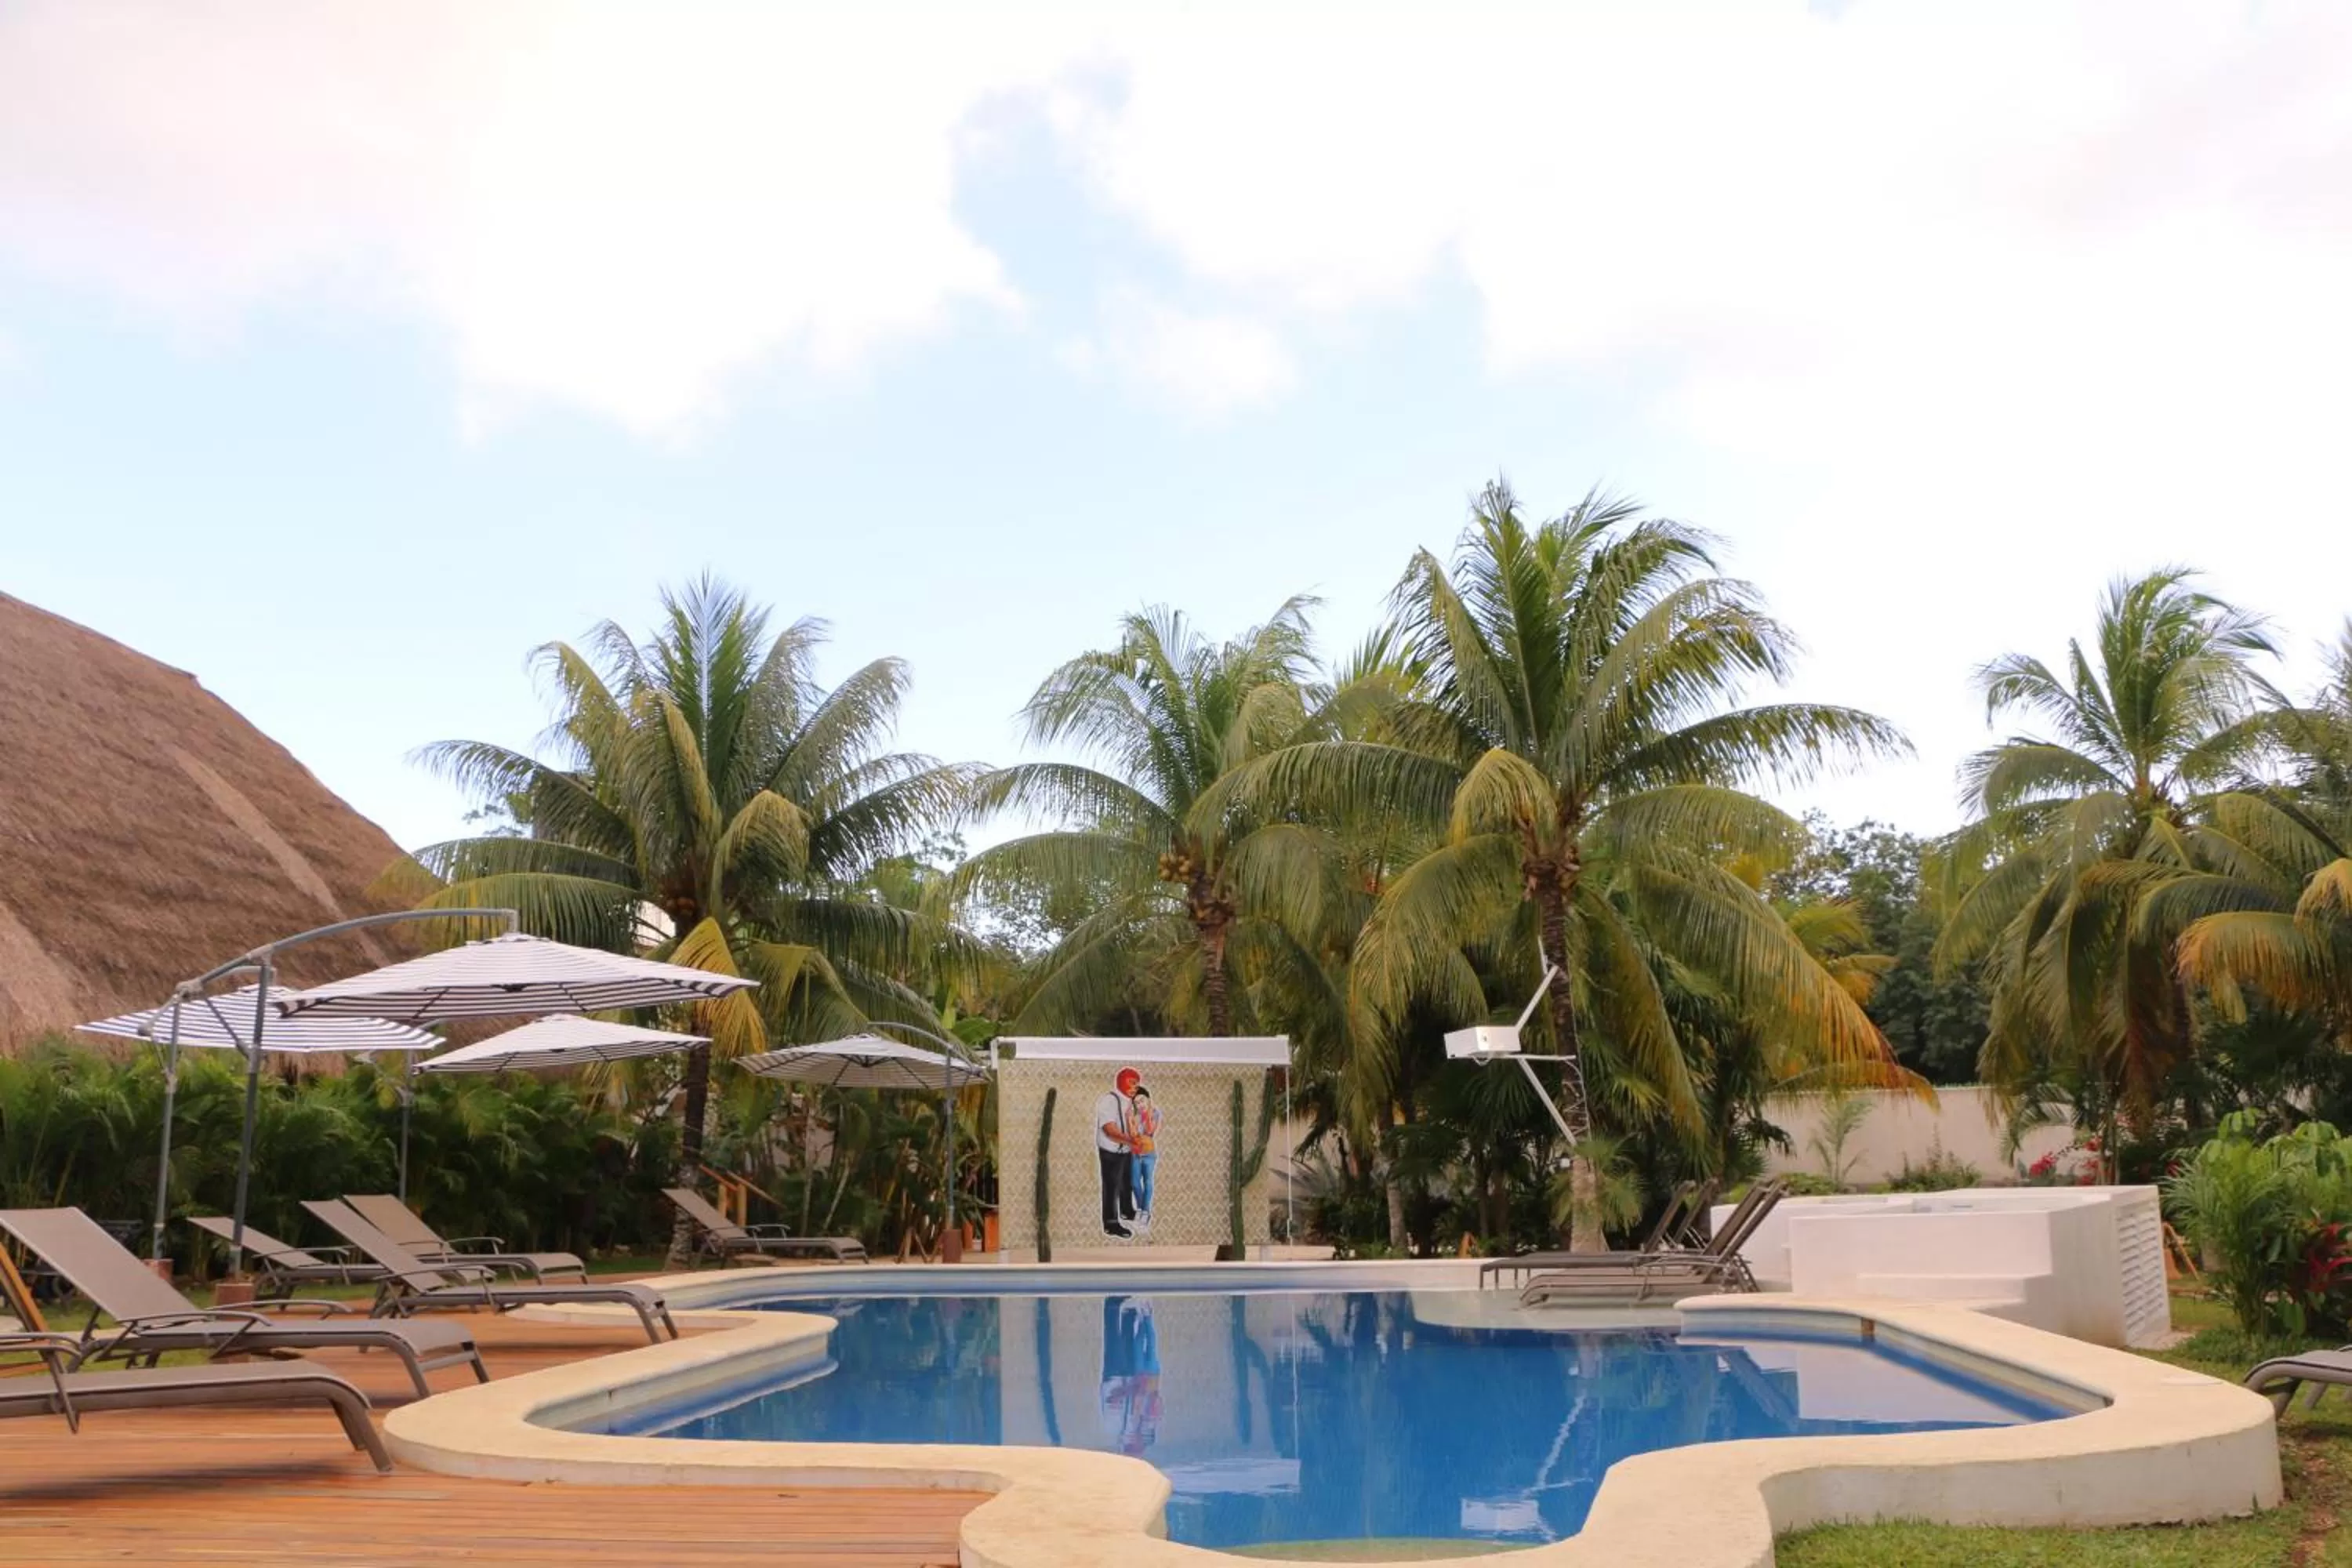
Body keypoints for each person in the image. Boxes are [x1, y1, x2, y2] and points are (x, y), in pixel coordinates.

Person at [1094, 1067, 1142, 1237]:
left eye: (1137, 1084)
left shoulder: (1130, 1102)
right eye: (1132, 1083)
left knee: (1126, 1183)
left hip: (1126, 1150)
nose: (1135, 1087)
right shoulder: (1109, 1100)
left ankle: (1127, 1211)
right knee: (1111, 1186)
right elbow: (1109, 1130)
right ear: (1122, 1081)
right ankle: (1111, 1223)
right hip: (1111, 1151)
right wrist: (1130, 1140)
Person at [1127, 1085, 1162, 1228]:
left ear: (1148, 1099)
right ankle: (1142, 1209)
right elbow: (1133, 1135)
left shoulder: (1156, 1113)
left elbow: (1150, 1131)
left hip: (1149, 1154)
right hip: (1136, 1154)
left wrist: (1146, 1115)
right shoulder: (1134, 1116)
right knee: (1135, 1183)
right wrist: (1131, 1120)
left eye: (1142, 1101)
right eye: (1137, 1103)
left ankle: (1145, 1213)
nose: (1140, 1105)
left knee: (1147, 1182)